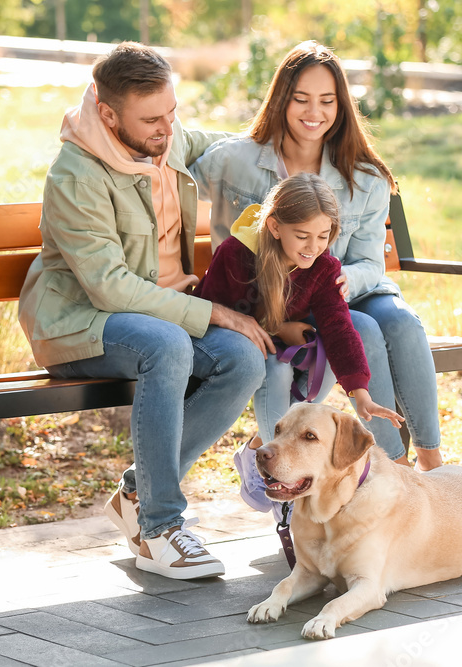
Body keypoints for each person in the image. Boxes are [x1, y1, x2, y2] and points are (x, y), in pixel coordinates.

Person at [18, 42, 272, 580]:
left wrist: (292, 143)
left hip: (167, 316)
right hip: (82, 325)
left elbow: (227, 146)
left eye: (172, 113)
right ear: (108, 114)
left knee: (245, 359)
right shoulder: (76, 175)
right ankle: (159, 528)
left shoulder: (165, 138)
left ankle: (138, 491)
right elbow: (110, 288)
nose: (167, 128)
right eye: (152, 118)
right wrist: (217, 314)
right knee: (169, 344)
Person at [191, 40, 444, 476]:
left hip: (345, 286)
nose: (315, 112)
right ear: (280, 100)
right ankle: (391, 467)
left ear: (341, 106)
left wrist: (343, 279)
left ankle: (433, 465)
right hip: (278, 301)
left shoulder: (364, 177)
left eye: (327, 101)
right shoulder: (236, 160)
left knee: (400, 321)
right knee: (361, 329)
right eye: (301, 99)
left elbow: (369, 263)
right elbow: (169, 154)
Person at [194, 172, 403, 452]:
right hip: (235, 345)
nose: (313, 247)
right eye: (302, 236)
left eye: (323, 236)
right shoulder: (237, 253)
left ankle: (269, 452)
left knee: (324, 352)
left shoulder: (323, 266)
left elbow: (338, 327)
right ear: (275, 227)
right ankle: (272, 465)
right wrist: (276, 328)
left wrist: (360, 393)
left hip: (283, 345)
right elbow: (216, 314)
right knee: (277, 371)